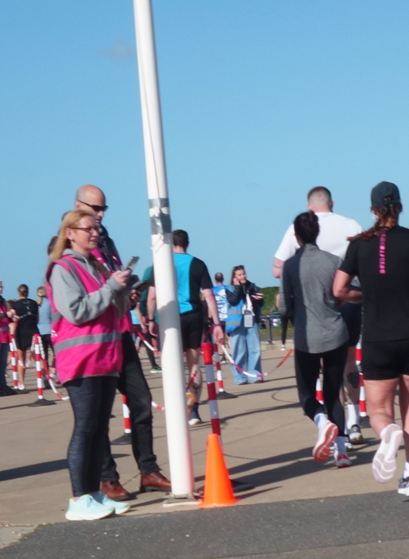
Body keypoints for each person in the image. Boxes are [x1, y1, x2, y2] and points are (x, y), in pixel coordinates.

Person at [333, 182, 409, 497]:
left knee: (379, 410)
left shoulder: (359, 245)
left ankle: (388, 434)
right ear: (399, 207)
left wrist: (365, 294)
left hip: (377, 337)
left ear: (373, 209)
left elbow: (339, 290)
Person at [73, 185, 172, 497]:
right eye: (95, 209)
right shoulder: (70, 246)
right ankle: (107, 478)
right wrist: (111, 289)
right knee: (98, 416)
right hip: (93, 343)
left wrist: (127, 293)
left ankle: (148, 469)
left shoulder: (107, 240)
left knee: (141, 401)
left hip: (120, 333)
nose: (100, 216)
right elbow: (78, 299)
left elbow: (111, 279)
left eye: (104, 210)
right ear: (78, 206)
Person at [47, 208, 134, 521]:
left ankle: (94, 493)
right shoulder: (63, 268)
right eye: (88, 228)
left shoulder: (96, 267)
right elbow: (76, 311)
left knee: (98, 430)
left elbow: (112, 307)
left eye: (97, 228)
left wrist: (123, 292)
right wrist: (110, 288)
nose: (95, 233)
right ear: (70, 233)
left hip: (104, 358)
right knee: (85, 427)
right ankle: (78, 498)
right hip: (81, 359)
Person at [273, 186, 366, 445]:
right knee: (348, 363)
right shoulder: (351, 224)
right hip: (344, 301)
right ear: (331, 202)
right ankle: (354, 421)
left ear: (309, 207)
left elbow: (276, 268)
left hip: (309, 321)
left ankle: (327, 424)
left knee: (315, 388)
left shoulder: (295, 241)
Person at [281, 212, 354, 468]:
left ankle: (322, 422)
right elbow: (346, 291)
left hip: (306, 337)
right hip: (335, 332)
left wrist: (294, 316)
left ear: (297, 236)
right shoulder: (334, 261)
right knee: (335, 394)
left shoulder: (290, 266)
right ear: (317, 233)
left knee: (306, 395)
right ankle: (342, 451)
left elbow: (283, 306)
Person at [147, 229, 225, 426]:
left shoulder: (162, 264)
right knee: (193, 363)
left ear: (171, 243)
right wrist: (216, 323)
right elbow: (209, 296)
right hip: (193, 315)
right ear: (187, 243)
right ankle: (194, 411)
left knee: (172, 363)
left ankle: (176, 409)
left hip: (170, 316)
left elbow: (152, 296)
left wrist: (150, 319)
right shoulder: (198, 264)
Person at [225, 265, 265, 384]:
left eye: (244, 274)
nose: (243, 276)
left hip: (251, 318)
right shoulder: (229, 288)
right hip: (237, 322)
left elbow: (260, 303)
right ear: (234, 277)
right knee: (239, 350)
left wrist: (259, 299)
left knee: (255, 348)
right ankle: (240, 377)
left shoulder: (252, 286)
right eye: (239, 275)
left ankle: (255, 375)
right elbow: (233, 300)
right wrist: (237, 287)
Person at [10, 284, 40, 379]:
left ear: (18, 293)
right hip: (33, 330)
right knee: (38, 358)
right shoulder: (34, 303)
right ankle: (44, 378)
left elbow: (13, 320)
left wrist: (11, 333)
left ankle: (22, 382)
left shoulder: (15, 305)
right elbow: (37, 319)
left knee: (21, 359)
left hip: (21, 332)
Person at [36, 286, 54, 369]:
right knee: (55, 352)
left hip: (40, 331)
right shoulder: (50, 303)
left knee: (44, 355)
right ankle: (54, 369)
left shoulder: (36, 304)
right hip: (50, 329)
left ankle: (46, 373)